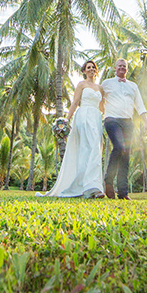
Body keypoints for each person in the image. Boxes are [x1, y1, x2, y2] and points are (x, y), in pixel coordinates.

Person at [39, 60, 105, 198]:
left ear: (96, 70)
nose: (91, 69)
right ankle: (88, 187)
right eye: (88, 67)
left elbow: (102, 107)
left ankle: (93, 186)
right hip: (84, 116)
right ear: (84, 71)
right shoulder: (81, 85)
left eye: (93, 67)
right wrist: (66, 120)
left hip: (96, 118)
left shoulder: (100, 88)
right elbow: (75, 102)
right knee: (87, 148)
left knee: (95, 149)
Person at [100, 58, 146, 200]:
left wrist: (146, 123)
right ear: (115, 68)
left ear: (127, 69)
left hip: (128, 122)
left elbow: (140, 105)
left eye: (124, 66)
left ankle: (123, 192)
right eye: (119, 66)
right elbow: (98, 99)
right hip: (112, 120)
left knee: (126, 155)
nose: (122, 68)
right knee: (119, 147)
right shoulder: (106, 83)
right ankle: (108, 180)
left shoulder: (133, 86)